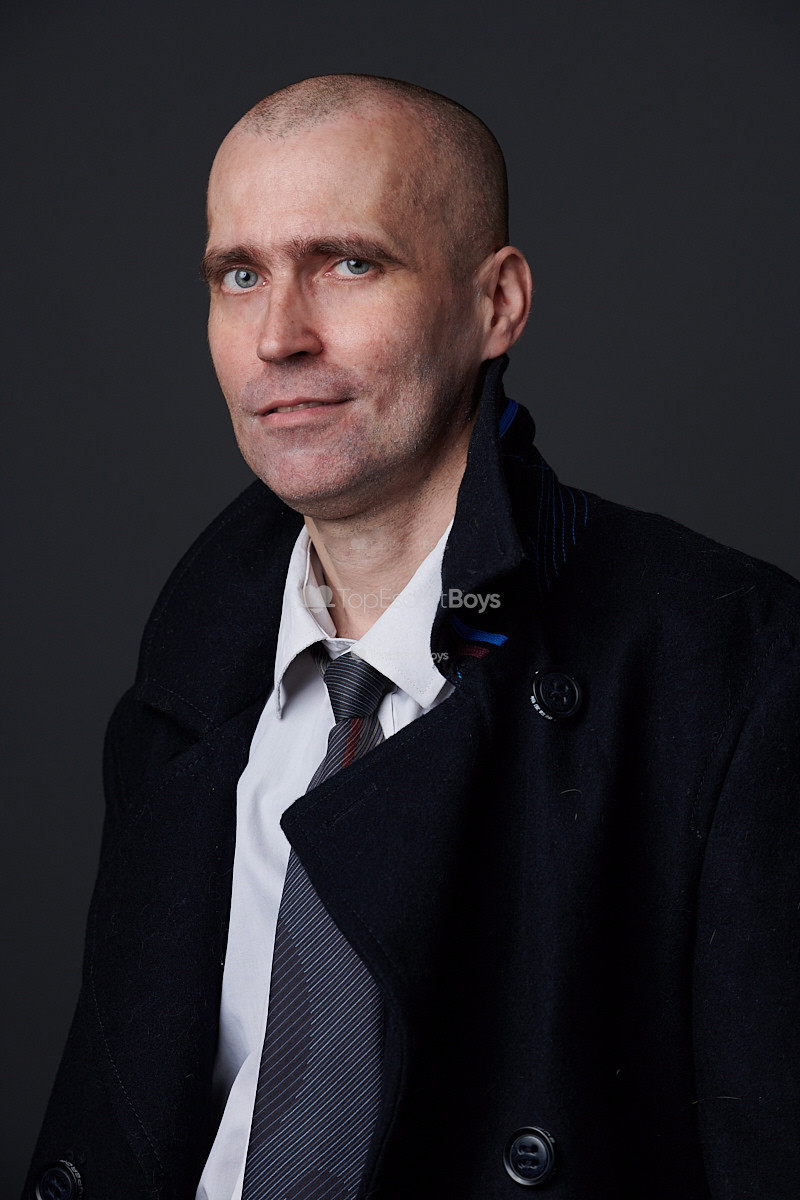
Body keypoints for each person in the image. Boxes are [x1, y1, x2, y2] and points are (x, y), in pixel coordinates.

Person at [25, 74, 800, 1200]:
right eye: (239, 275)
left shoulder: (731, 666)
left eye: (349, 263)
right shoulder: (177, 700)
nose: (278, 338)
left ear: (497, 306)